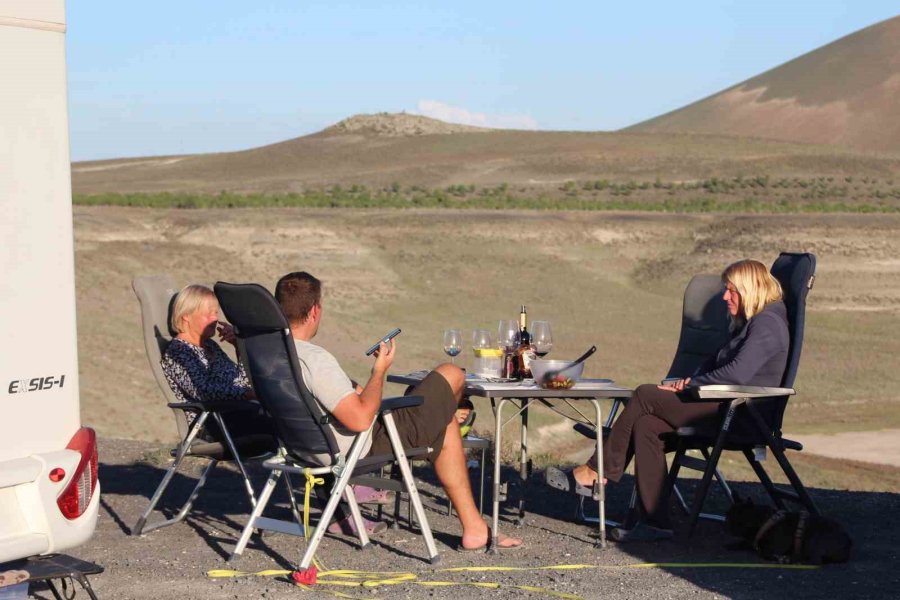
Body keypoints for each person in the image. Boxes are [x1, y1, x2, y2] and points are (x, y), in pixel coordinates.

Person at [275, 271, 523, 551]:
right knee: (451, 373)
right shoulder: (315, 359)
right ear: (315, 311)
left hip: (304, 449)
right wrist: (379, 371)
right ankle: (445, 422)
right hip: (362, 445)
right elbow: (360, 419)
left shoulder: (272, 357)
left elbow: (334, 397)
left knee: (444, 423)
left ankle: (475, 527)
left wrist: (354, 386)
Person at [545, 259, 789, 542]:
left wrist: (692, 384)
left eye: (731, 290)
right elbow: (715, 363)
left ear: (750, 289)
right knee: (647, 425)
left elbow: (738, 373)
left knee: (645, 394)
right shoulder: (752, 323)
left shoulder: (768, 323)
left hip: (739, 416)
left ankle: (595, 472)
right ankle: (655, 523)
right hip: (720, 405)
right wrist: (688, 381)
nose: (725, 296)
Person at [160, 284, 273, 441]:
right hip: (210, 423)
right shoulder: (178, 351)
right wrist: (247, 394)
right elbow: (203, 391)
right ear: (186, 316)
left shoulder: (210, 346)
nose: (215, 319)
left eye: (216, 313)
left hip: (234, 413)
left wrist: (239, 346)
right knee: (282, 421)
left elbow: (242, 382)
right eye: (208, 314)